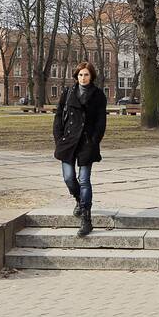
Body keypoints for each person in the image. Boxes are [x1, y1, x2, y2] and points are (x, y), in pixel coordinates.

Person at [52, 61, 108, 237]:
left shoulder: (98, 95)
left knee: (84, 179)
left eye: (86, 75)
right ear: (76, 76)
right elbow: (59, 116)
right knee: (69, 178)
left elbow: (101, 122)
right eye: (80, 75)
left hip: (86, 142)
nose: (83, 78)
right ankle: (79, 200)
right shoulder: (68, 93)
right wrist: (59, 138)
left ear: (92, 77)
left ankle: (86, 219)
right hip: (68, 141)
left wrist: (94, 140)